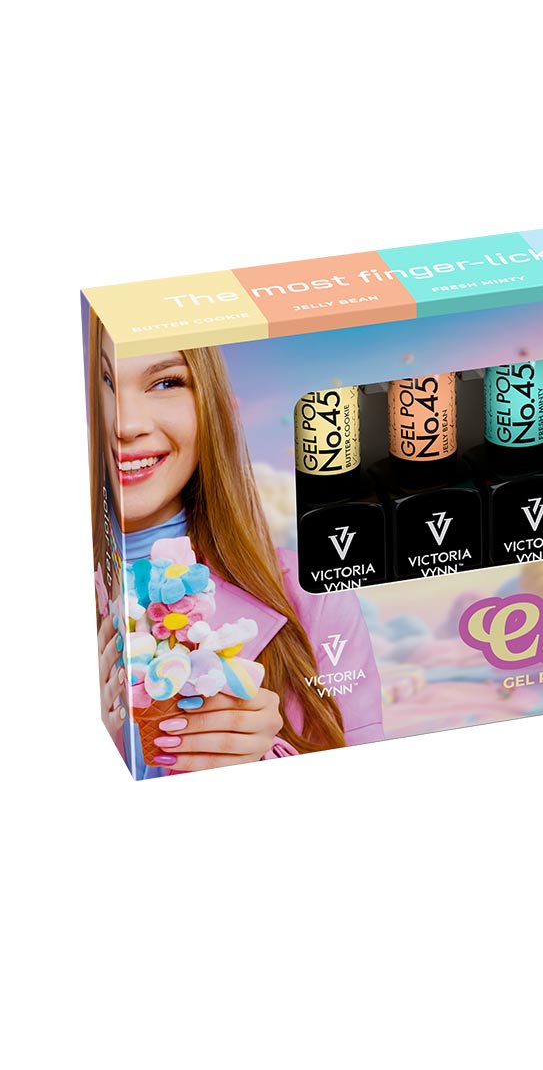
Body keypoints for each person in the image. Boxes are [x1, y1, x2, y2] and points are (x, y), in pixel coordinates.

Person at [88, 314, 383, 776]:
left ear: (211, 406)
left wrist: (260, 760)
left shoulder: (313, 594)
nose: (127, 425)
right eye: (104, 382)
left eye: (165, 383)